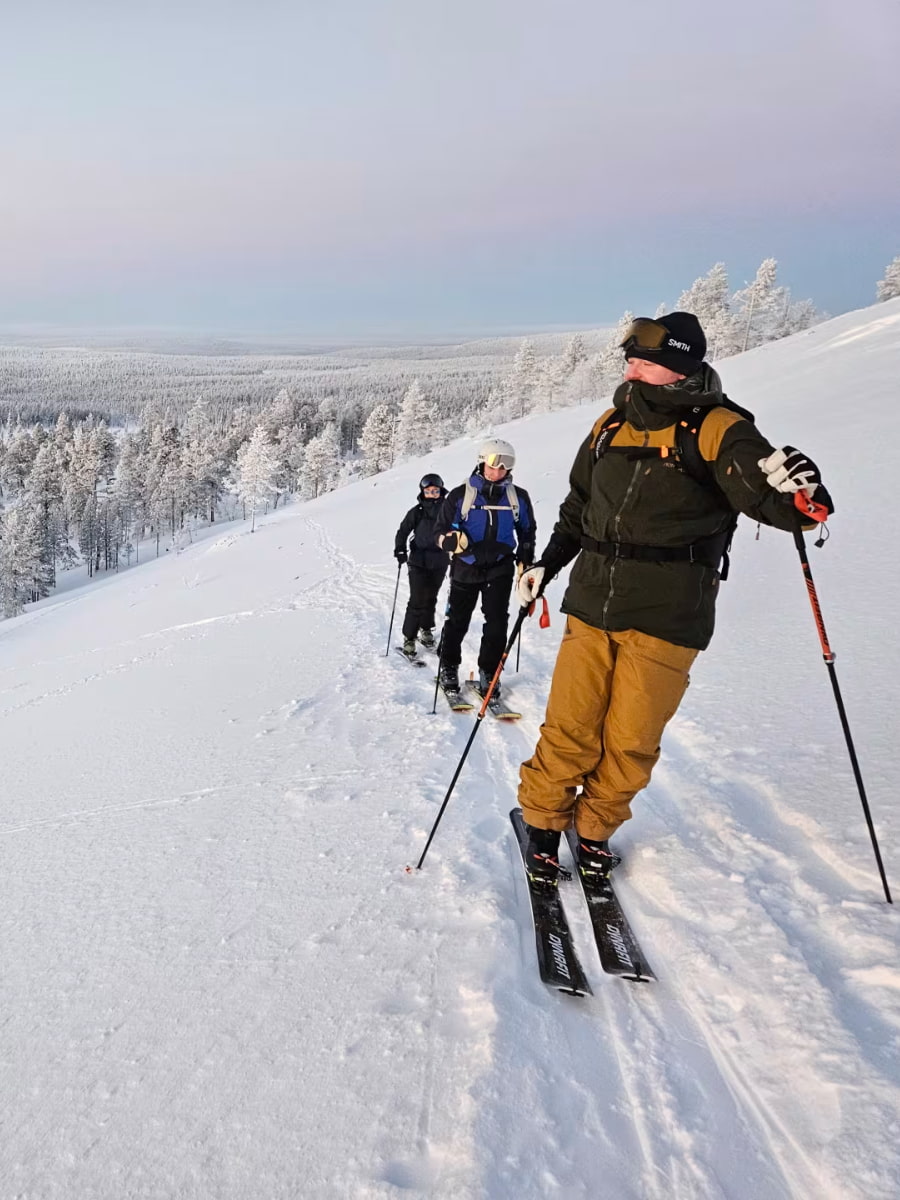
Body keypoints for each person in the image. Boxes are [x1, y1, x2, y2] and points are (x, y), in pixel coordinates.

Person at [515, 311, 833, 883]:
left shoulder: (720, 429)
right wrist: (548, 564)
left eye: (644, 360)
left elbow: (778, 505)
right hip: (592, 603)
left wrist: (803, 494)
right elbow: (578, 504)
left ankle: (593, 831)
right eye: (631, 358)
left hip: (668, 614)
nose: (630, 366)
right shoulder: (610, 423)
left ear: (678, 368)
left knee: (632, 739)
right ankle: (541, 824)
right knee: (569, 726)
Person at [434, 439, 536, 699]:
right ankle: (448, 666)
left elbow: (527, 531)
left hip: (500, 569)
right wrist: (448, 540)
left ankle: (489, 672)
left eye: (507, 463)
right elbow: (440, 529)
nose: (499, 469)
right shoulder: (461, 495)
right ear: (482, 461)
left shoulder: (517, 497)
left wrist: (526, 563)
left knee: (497, 623)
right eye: (494, 462)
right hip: (466, 566)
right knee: (457, 621)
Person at [394, 474, 451, 656]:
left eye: (435, 491)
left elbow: (458, 532)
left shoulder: (448, 511)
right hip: (418, 561)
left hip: (440, 560)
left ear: (441, 491)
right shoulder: (417, 511)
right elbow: (403, 531)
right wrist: (400, 550)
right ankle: (409, 638)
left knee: (431, 597)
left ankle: (426, 629)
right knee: (417, 599)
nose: (432, 494)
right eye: (428, 491)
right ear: (423, 492)